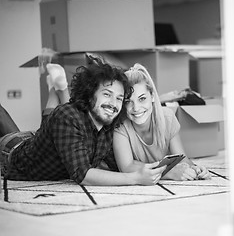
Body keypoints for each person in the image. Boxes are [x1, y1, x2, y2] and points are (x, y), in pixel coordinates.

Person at [0, 57, 166, 186]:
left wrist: (159, 169)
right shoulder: (67, 116)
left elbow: (120, 165)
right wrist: (135, 178)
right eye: (107, 94)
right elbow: (83, 174)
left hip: (44, 142)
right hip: (11, 152)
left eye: (119, 98)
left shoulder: (109, 124)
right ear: (90, 93)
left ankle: (55, 89)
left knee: (46, 128)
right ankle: (58, 88)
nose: (114, 104)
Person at [113, 63, 211, 181]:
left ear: (153, 96)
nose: (136, 108)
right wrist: (167, 172)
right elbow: (127, 167)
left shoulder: (167, 117)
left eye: (142, 99)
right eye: (128, 101)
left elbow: (181, 158)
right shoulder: (120, 126)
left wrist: (195, 168)